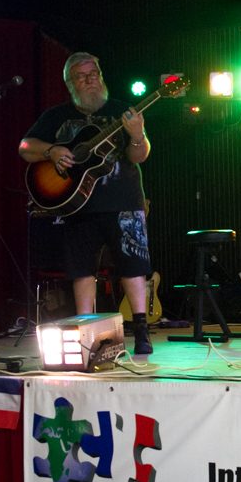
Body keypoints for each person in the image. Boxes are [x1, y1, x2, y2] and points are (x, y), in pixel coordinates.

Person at [19, 52, 153, 355]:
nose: (90, 80)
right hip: (76, 205)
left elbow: (139, 155)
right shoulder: (56, 116)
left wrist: (137, 135)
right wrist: (52, 151)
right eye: (81, 76)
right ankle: (86, 332)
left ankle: (141, 330)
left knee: (133, 266)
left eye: (94, 74)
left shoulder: (122, 111)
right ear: (70, 83)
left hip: (124, 201)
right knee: (82, 271)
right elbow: (25, 146)